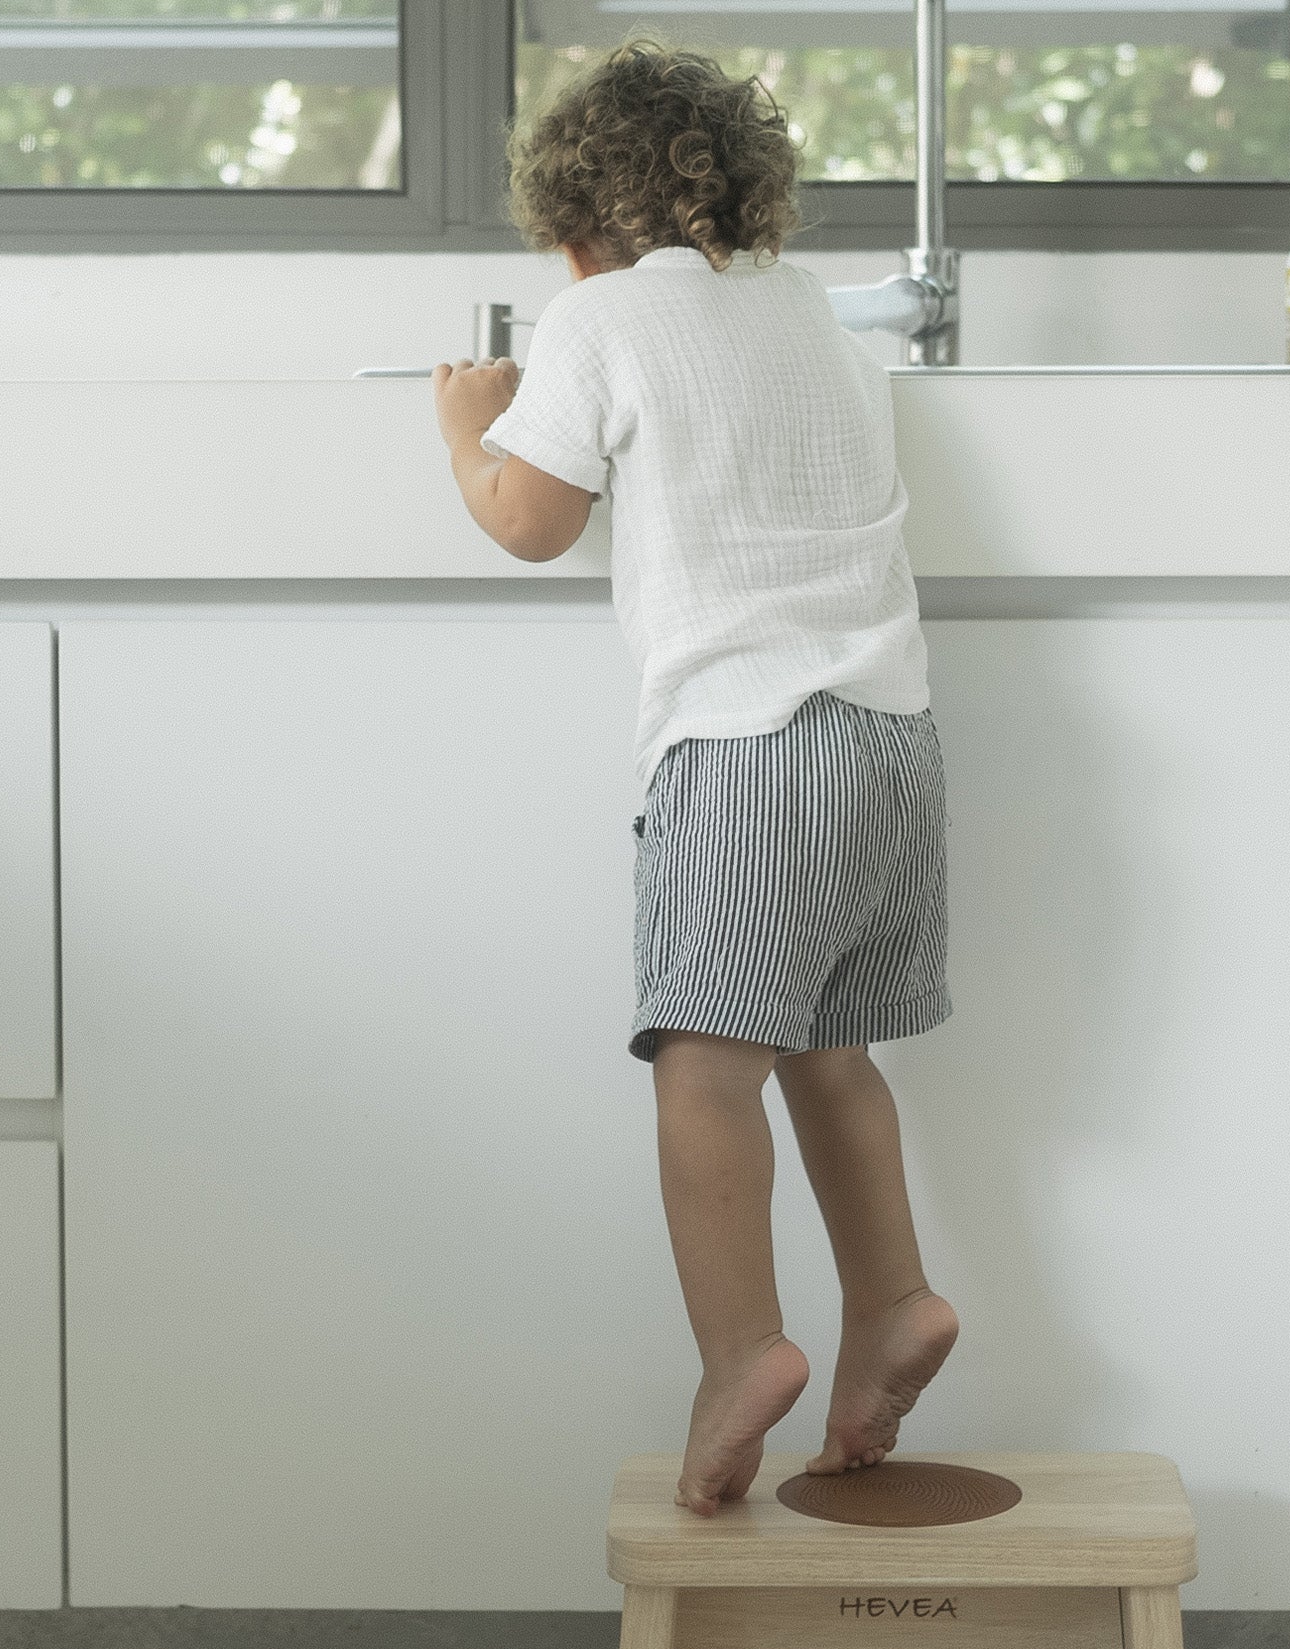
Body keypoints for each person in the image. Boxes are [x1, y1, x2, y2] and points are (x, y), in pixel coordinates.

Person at [430, 40, 958, 1516]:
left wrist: (467, 426)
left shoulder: (594, 319)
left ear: (569, 222)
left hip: (746, 749)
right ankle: (893, 1303)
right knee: (830, 1057)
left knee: (704, 1071)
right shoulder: (801, 312)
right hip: (890, 747)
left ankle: (742, 1353)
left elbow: (529, 519)